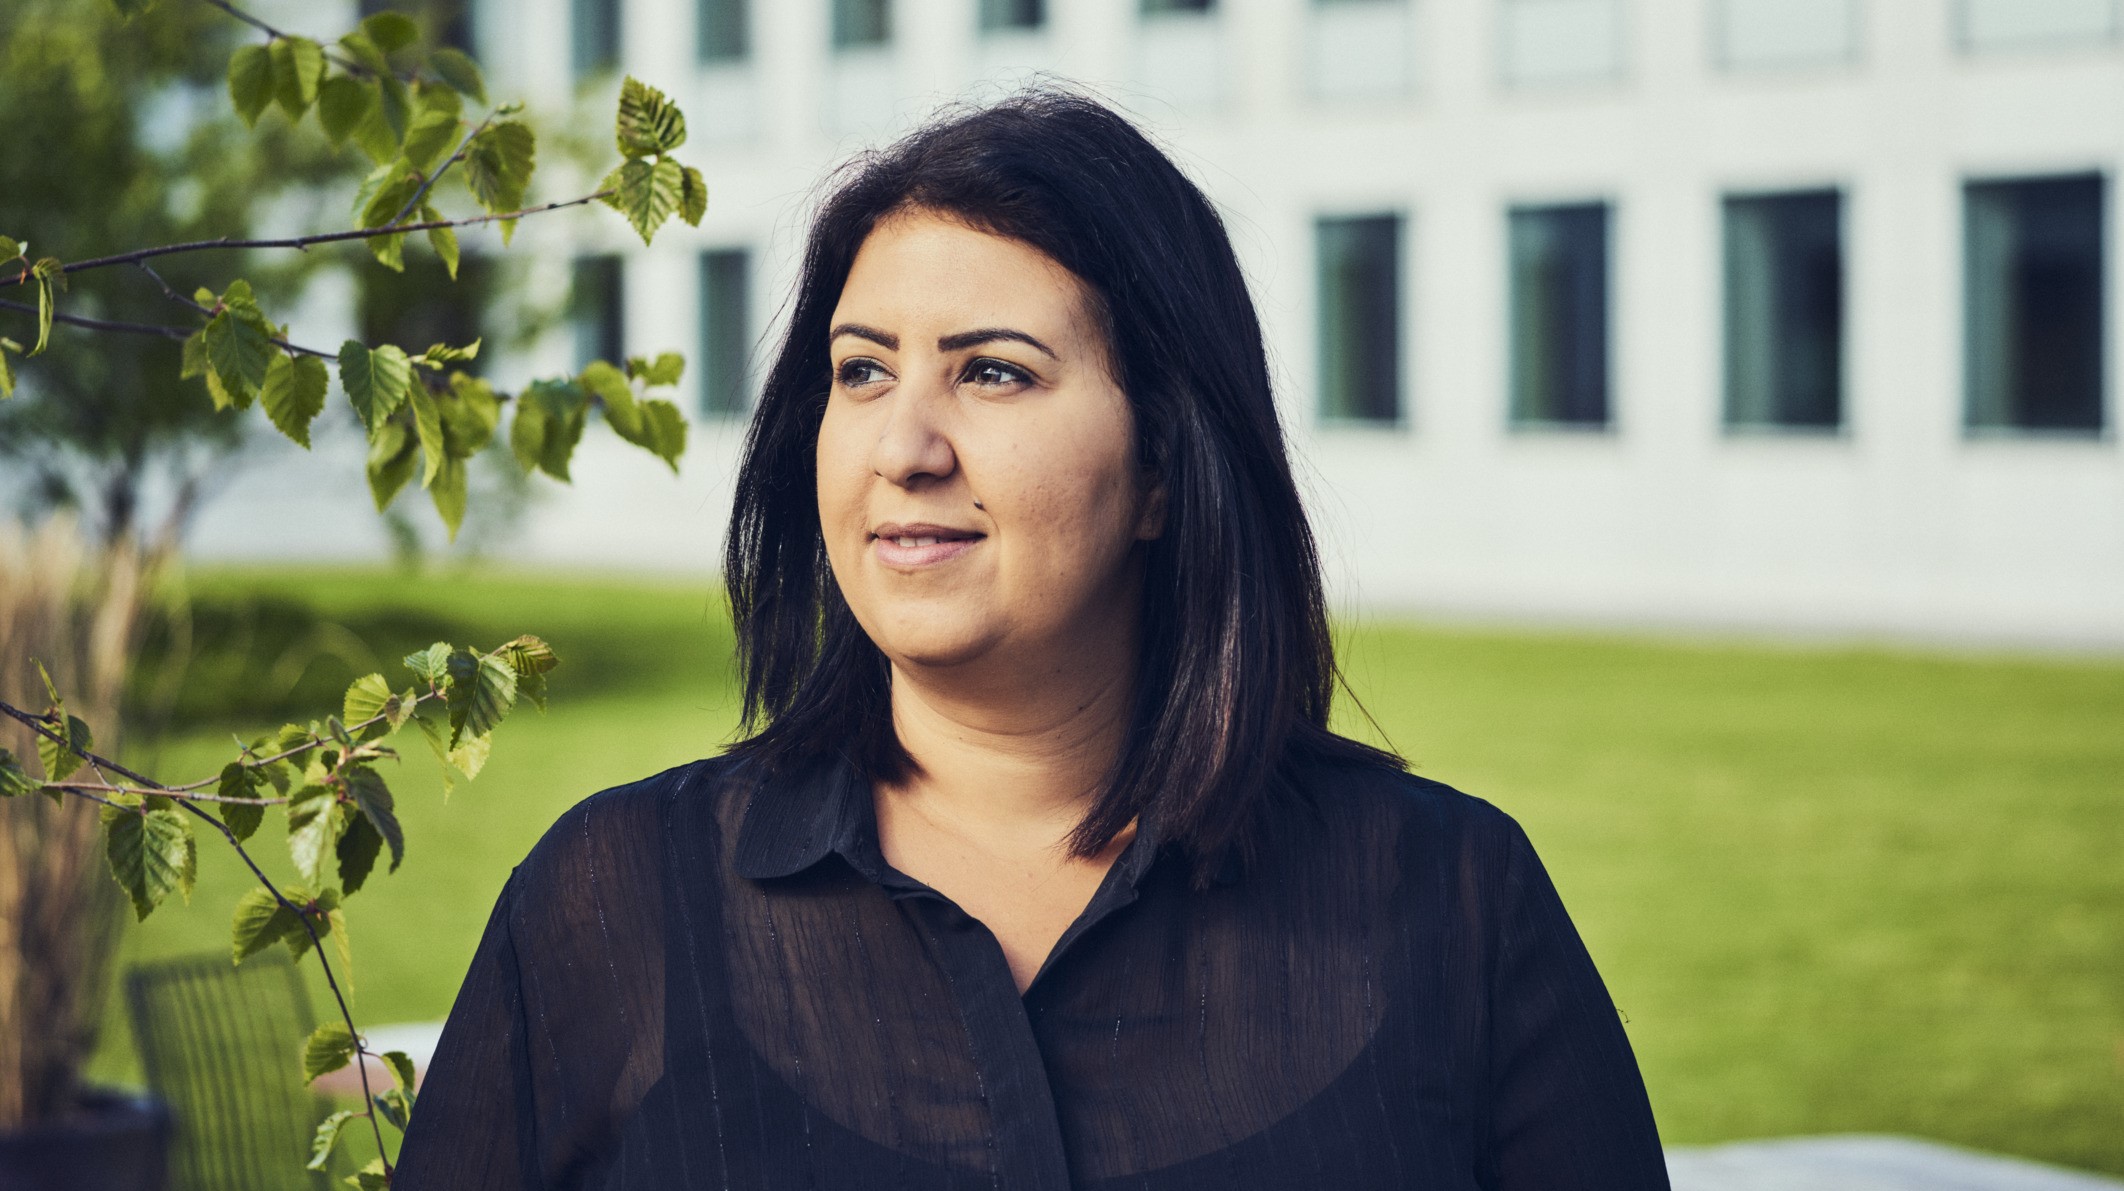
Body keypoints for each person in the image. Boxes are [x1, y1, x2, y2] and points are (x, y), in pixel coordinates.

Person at [393, 89, 1669, 1190]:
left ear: (1166, 467)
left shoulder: (1453, 900)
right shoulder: (616, 901)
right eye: (862, 371)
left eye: (992, 371)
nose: (905, 448)